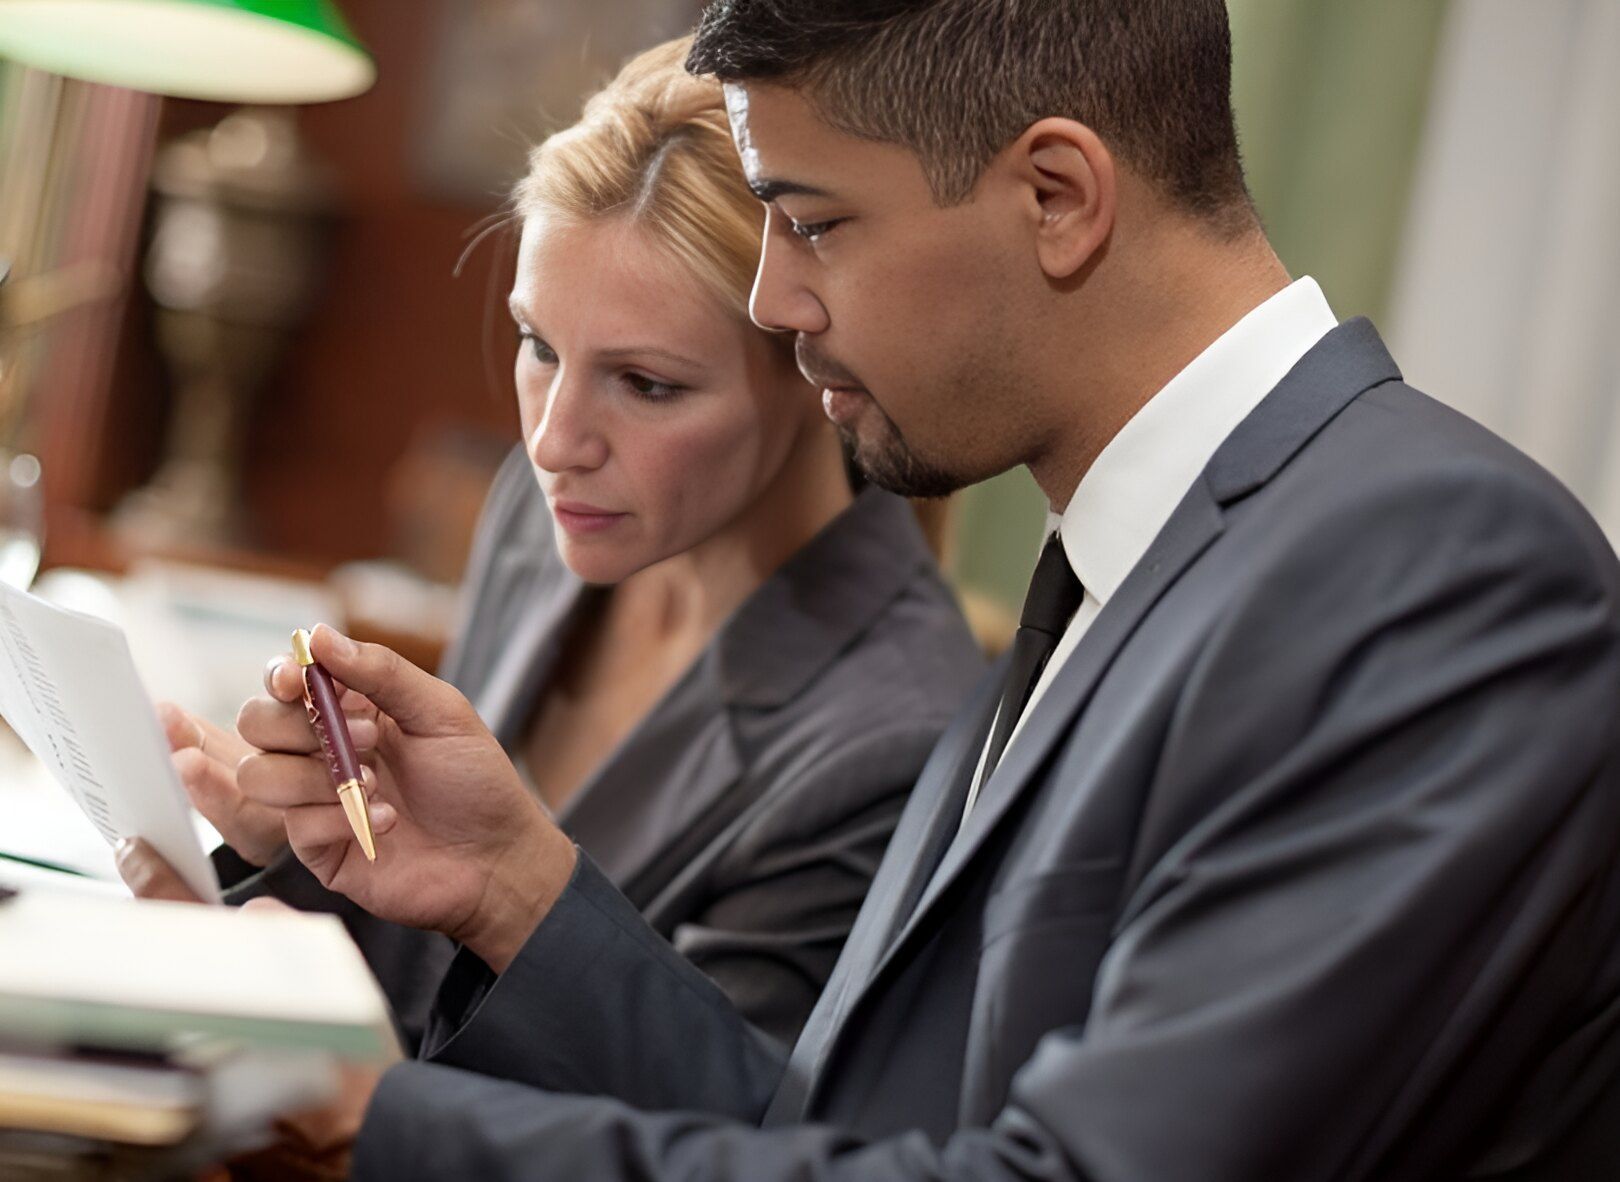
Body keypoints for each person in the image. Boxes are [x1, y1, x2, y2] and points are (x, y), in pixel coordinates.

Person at [199, 1, 1620, 1178]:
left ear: (1058, 197)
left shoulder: (1435, 567)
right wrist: (514, 882)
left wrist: (382, 1123)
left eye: (809, 221)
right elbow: (840, 1131)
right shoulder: (1125, 558)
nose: (770, 300)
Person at [124, 36, 984, 1050]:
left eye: (647, 384)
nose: (552, 441)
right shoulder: (544, 521)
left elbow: (712, 1129)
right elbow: (435, 977)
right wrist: (286, 861)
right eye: (540, 345)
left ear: (816, 368)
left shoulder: (893, 740)